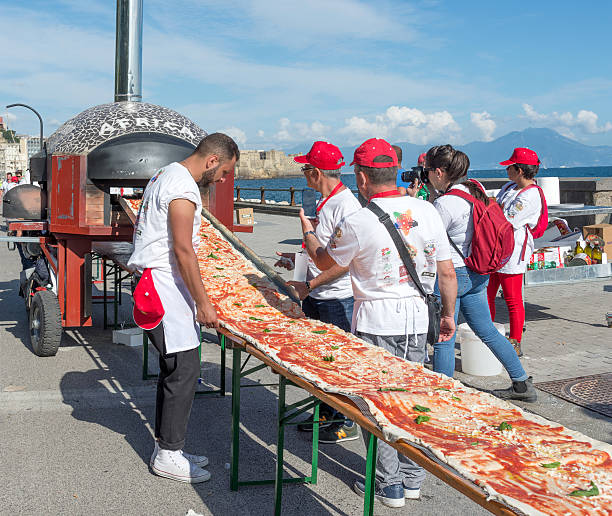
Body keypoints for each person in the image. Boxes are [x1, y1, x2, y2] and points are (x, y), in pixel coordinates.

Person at [299, 138, 457, 508]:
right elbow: (446, 271)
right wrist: (448, 314)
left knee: (376, 404)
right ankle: (413, 477)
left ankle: (389, 485)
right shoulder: (427, 210)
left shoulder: (358, 220)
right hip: (419, 318)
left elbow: (325, 263)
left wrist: (309, 233)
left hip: (375, 319)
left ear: (361, 177)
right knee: (410, 399)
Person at [127, 132, 239, 483]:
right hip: (163, 284)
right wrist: (203, 303)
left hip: (159, 281)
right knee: (183, 369)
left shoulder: (165, 174)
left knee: (175, 368)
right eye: (223, 172)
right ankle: (168, 454)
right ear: (211, 161)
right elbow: (183, 249)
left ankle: (169, 446)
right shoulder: (182, 188)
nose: (222, 180)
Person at [425, 144, 536, 402]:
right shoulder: (475, 191)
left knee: (444, 334)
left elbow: (430, 241)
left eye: (429, 171)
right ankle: (521, 383)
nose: (427, 175)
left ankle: (444, 397)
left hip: (453, 275)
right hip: (478, 271)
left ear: (439, 172)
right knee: (487, 330)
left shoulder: (445, 203)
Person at [275, 141, 362, 443]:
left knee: (338, 362)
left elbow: (345, 263)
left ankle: (347, 420)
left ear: (315, 172)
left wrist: (309, 285)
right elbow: (317, 250)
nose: (303, 175)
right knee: (319, 360)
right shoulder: (325, 201)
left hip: (338, 298)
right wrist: (296, 264)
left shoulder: (347, 207)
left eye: (305, 169)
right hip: (318, 295)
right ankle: (325, 412)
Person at [487, 148, 545, 358]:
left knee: (512, 298)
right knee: (487, 295)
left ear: (519, 170)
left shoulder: (530, 196)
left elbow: (507, 219)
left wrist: (493, 209)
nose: (507, 170)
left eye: (510, 167)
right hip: (496, 248)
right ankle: (490, 334)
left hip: (513, 251)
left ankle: (515, 341)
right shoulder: (510, 187)